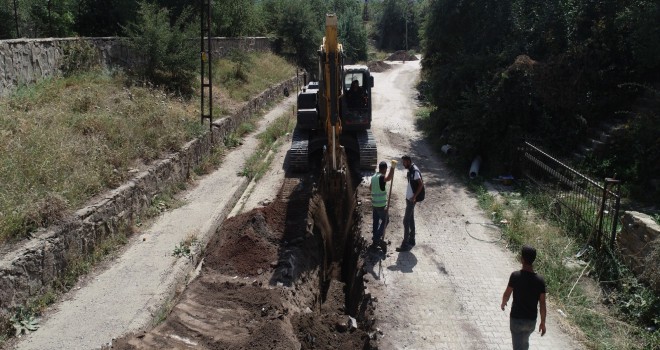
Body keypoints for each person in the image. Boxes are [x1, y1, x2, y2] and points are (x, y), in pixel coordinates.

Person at [500, 245, 547, 350]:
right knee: (524, 343)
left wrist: (504, 302)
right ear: (533, 260)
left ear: (522, 259)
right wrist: (543, 322)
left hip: (516, 319)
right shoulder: (540, 280)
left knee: (517, 346)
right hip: (531, 321)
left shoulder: (515, 276)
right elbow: (542, 304)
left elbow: (507, 294)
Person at [396, 155, 423, 252]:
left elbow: (421, 185)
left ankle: (405, 244)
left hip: (411, 200)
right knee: (410, 219)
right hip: (409, 199)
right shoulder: (411, 170)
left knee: (405, 221)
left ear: (408, 161)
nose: (403, 164)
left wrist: (414, 197)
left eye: (404, 162)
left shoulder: (415, 171)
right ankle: (412, 240)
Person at [371, 160, 394, 252]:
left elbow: (370, 187)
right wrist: (393, 167)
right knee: (385, 220)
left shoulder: (373, 177)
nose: (386, 170)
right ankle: (376, 238)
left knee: (376, 222)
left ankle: (375, 240)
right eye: (386, 169)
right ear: (384, 169)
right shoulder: (381, 177)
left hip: (374, 204)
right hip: (380, 205)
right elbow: (388, 178)